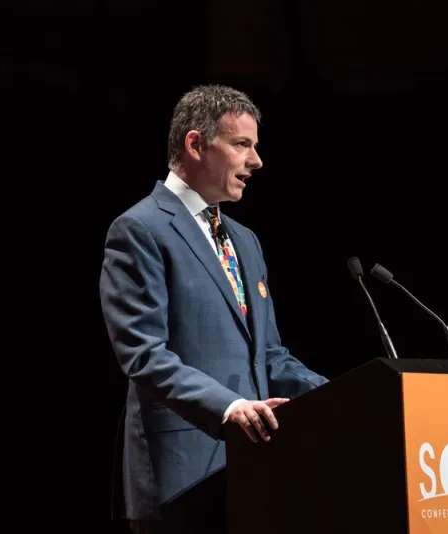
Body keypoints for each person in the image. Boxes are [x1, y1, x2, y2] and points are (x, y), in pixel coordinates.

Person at [100, 84, 329, 534]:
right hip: (179, 477)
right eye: (242, 144)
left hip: (254, 471)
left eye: (254, 146)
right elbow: (144, 355)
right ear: (195, 144)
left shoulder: (245, 240)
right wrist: (228, 406)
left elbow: (270, 355)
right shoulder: (140, 229)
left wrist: (337, 394)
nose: (256, 161)